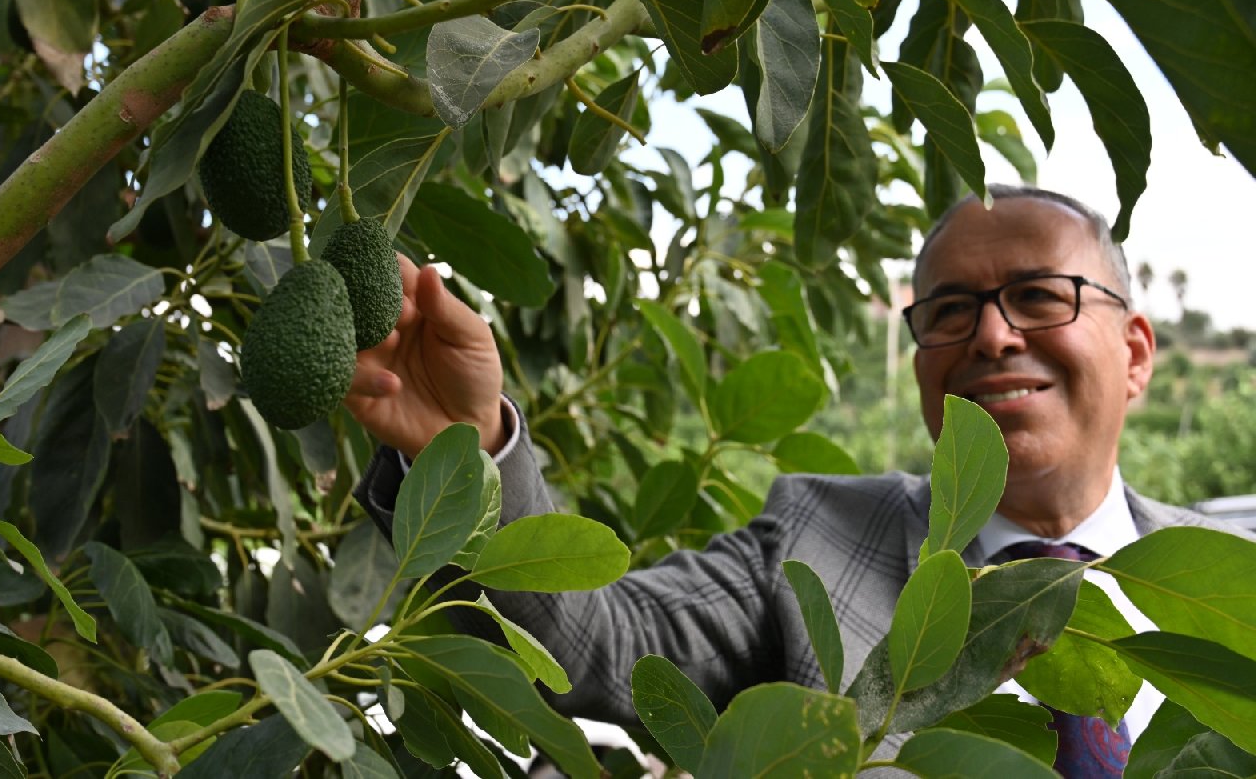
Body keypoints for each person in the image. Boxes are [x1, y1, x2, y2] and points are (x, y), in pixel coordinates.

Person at [345, 185, 1242, 772]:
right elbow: (594, 647)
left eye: (1042, 294)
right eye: (951, 309)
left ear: (1134, 354)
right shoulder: (815, 535)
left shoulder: (1234, 577)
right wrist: (464, 452)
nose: (994, 335)